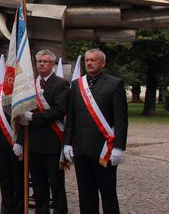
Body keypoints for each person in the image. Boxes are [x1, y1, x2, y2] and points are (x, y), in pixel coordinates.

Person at [63, 49, 128, 214]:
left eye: (93, 60)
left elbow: (121, 120)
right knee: (86, 194)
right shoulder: (77, 85)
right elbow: (72, 116)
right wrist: (67, 143)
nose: (89, 63)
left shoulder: (115, 84)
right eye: (87, 60)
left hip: (104, 149)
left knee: (108, 194)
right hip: (81, 149)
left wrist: (119, 147)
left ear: (103, 63)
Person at [17, 50, 69, 214]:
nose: (41, 64)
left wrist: (33, 117)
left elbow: (59, 110)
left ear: (52, 64)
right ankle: (42, 211)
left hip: (52, 142)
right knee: (39, 184)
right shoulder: (31, 85)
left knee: (56, 184)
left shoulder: (61, 84)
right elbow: (22, 111)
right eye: (39, 61)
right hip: (33, 143)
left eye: (45, 61)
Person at [0, 73, 24, 214]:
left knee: (18, 178)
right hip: (1, 140)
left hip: (16, 142)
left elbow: (23, 117)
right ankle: (6, 208)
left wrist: (20, 141)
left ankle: (18, 209)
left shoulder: (23, 89)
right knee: (5, 178)